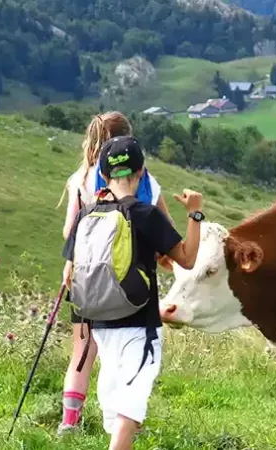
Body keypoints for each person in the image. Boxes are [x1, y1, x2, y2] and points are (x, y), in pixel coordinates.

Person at [61, 136, 203, 449]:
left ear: (104, 174)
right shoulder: (145, 214)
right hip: (139, 323)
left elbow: (70, 275)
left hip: (100, 326)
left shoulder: (87, 216)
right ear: (140, 173)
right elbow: (188, 258)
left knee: (116, 407)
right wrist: (195, 213)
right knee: (131, 405)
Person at [57, 112, 173, 436]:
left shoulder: (81, 177)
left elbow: (70, 229)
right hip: (132, 282)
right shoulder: (145, 180)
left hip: (87, 277)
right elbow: (163, 225)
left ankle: (70, 422)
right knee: (130, 351)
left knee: (83, 353)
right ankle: (126, 418)